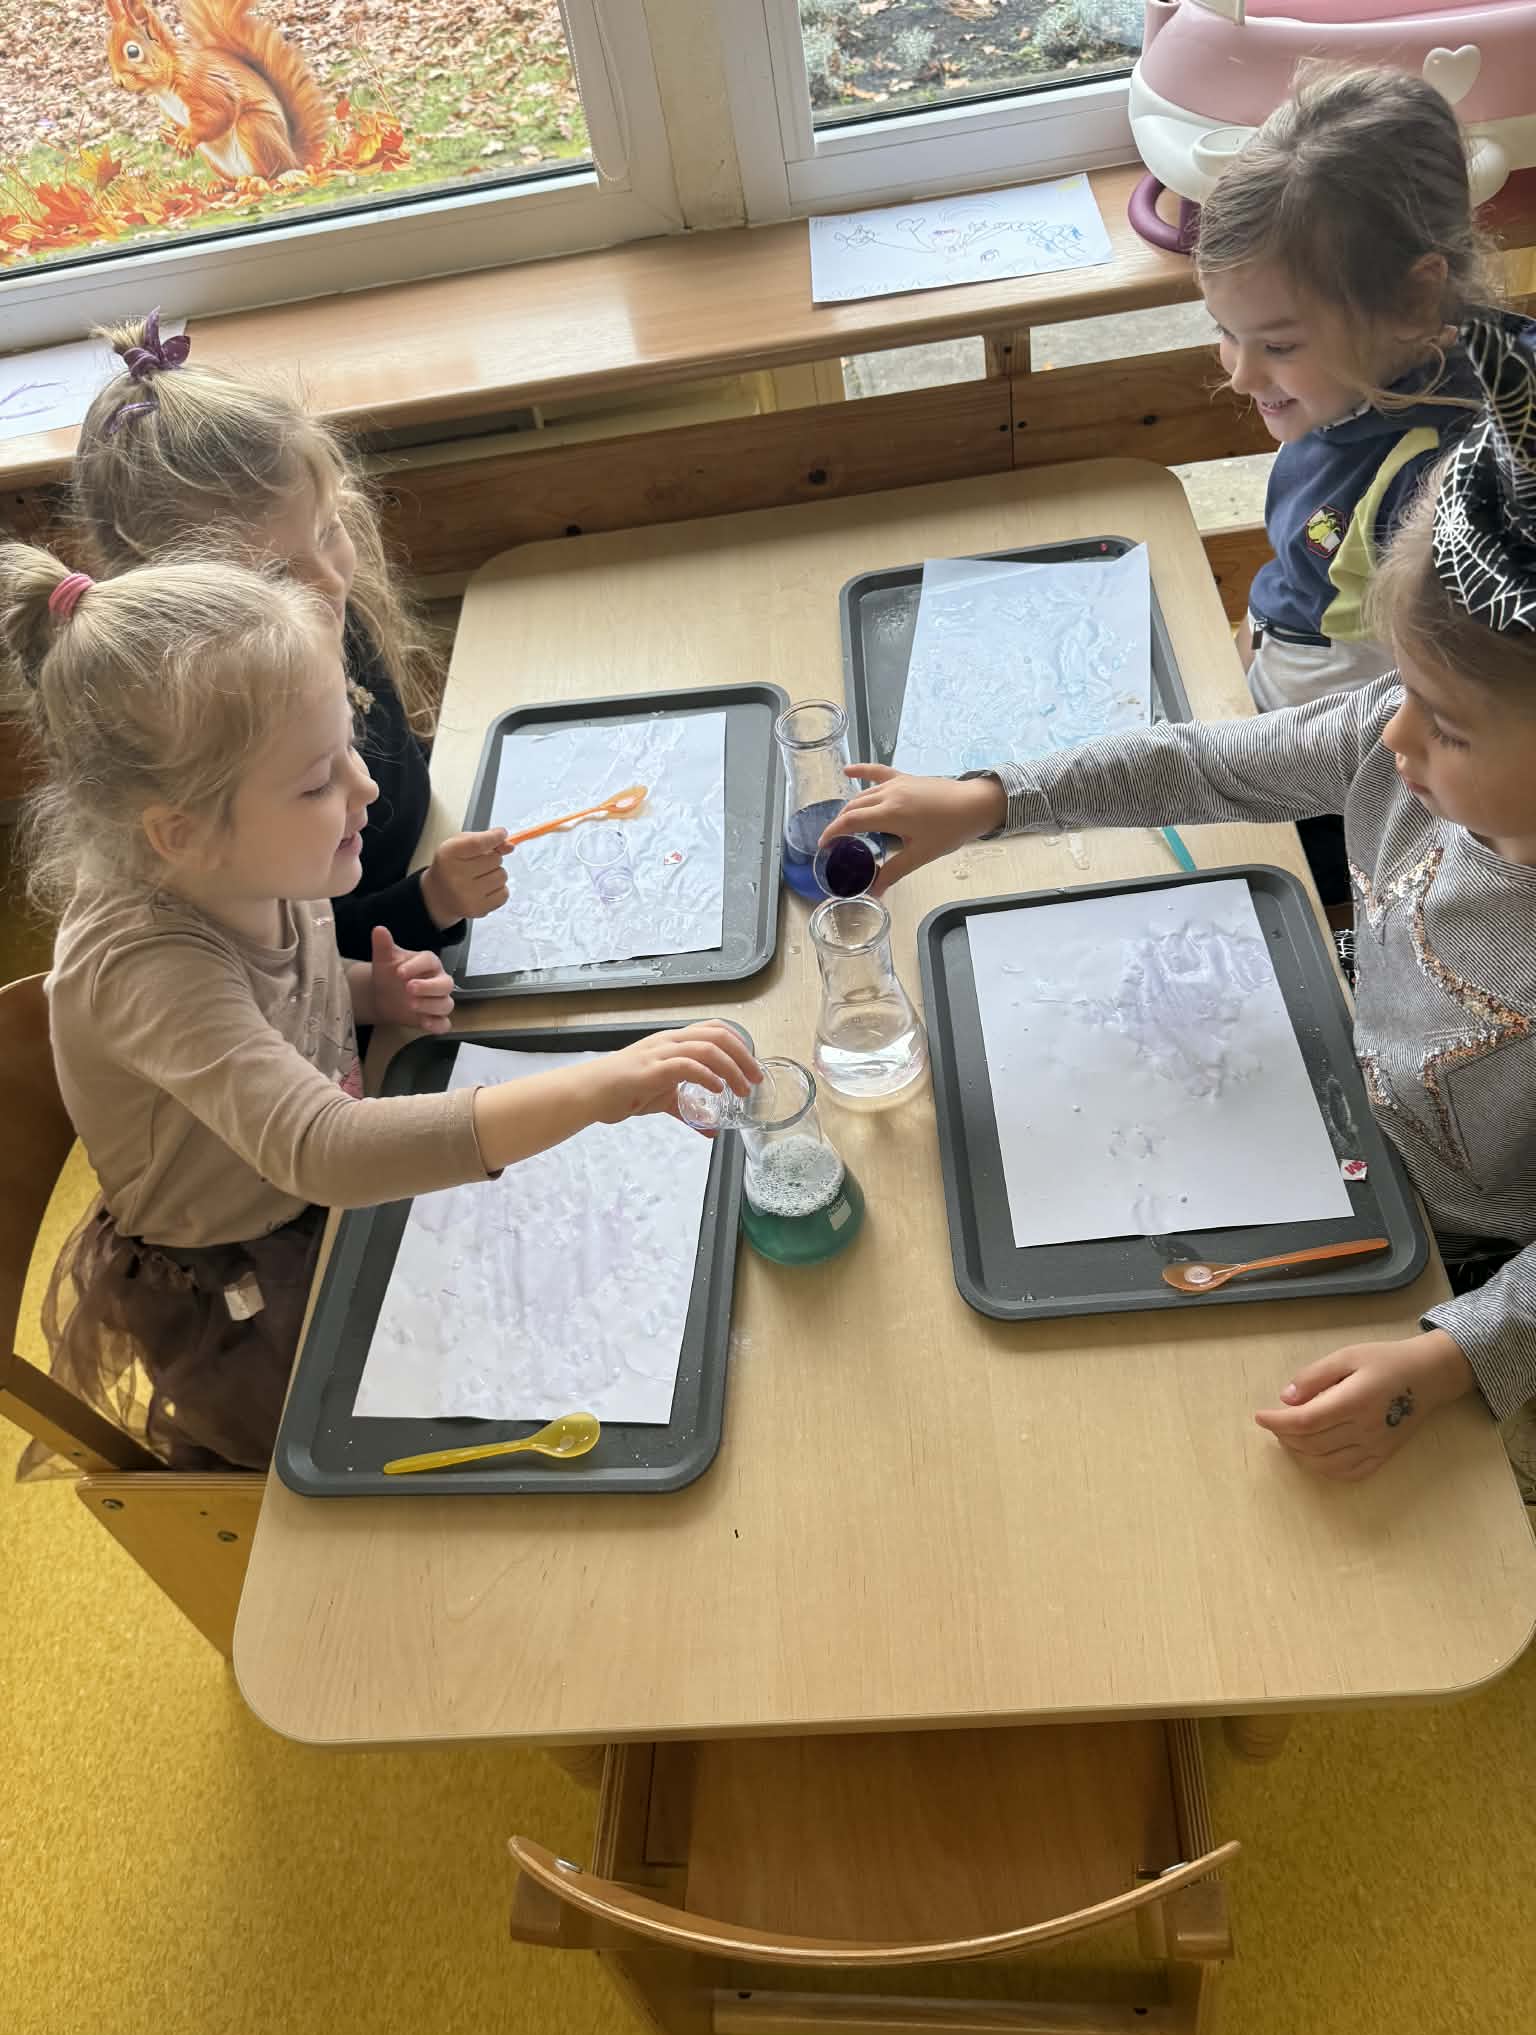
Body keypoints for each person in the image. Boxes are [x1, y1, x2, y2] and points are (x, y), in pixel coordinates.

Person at [820, 311, 1536, 1488]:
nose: (1390, 735)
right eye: (1401, 689)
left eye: (1445, 725)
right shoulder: (1395, 738)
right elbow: (1205, 764)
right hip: (1332, 1111)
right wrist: (991, 798)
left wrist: (1457, 1355)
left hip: (1471, 1259)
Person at [2, 546, 759, 1472]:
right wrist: (599, 1087)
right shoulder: (144, 968)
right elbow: (323, 1148)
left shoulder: (251, 858)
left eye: (347, 746)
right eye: (317, 780)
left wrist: (369, 988)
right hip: (249, 1282)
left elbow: (285, 985)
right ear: (180, 833)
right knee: (465, 1431)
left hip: (333, 1186)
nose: (364, 786)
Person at [71, 311, 508, 960]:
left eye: (329, 530)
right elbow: (289, 959)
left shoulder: (320, 614)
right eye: (274, 573)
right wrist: (431, 902)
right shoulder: (219, 732)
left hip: (427, 889)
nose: (328, 581)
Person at [1198, 65, 1498, 716]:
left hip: (1328, 751)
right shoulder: (1352, 387)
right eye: (1226, 331)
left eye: (1279, 346)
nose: (1241, 376)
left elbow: (1450, 705)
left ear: (1413, 300)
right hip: (1275, 671)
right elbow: (1303, 573)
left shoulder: (1442, 484)